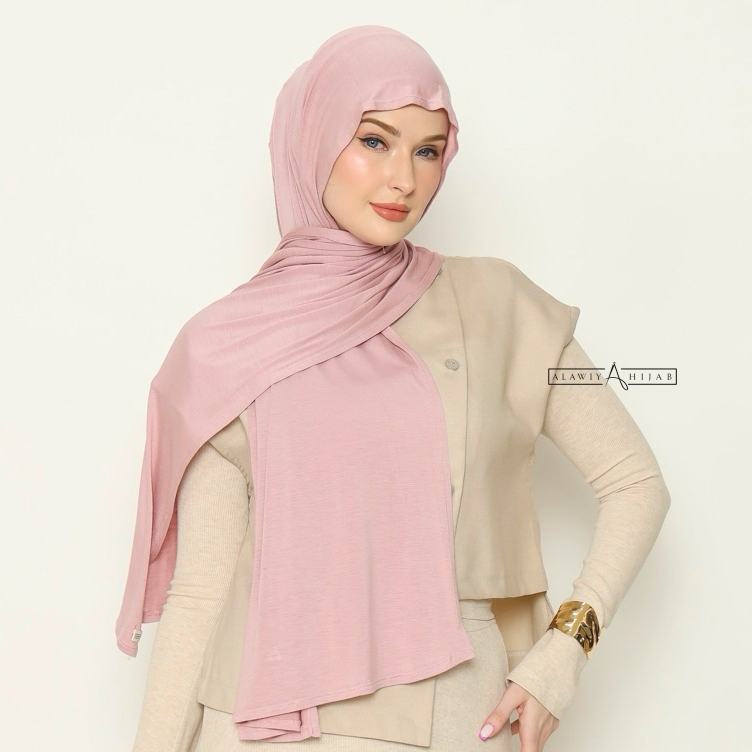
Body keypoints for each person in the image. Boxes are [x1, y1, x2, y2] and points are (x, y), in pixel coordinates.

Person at [119, 25, 671, 752]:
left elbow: (636, 484)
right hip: (252, 726)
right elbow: (200, 594)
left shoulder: (497, 306)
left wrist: (565, 652)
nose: (404, 179)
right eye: (374, 141)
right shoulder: (227, 344)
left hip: (448, 720)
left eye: (428, 151)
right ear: (314, 139)